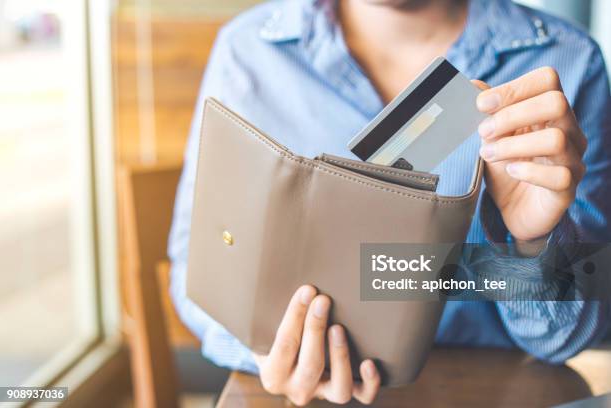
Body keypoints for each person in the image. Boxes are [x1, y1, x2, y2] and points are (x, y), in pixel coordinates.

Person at [168, 0, 611, 405]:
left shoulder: (566, 63)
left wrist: (530, 243)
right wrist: (264, 348)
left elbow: (566, 337)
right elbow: (196, 260)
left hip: (493, 392)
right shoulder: (247, 51)